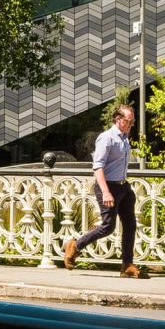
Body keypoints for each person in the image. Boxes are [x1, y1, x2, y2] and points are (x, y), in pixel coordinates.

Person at [61, 103, 143, 276]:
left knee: (130, 225)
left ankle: (127, 265)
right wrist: (106, 191)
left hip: (123, 186)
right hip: (108, 186)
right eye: (129, 121)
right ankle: (75, 246)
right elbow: (98, 167)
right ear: (118, 119)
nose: (132, 124)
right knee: (108, 226)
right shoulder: (107, 138)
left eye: (133, 121)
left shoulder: (124, 137)